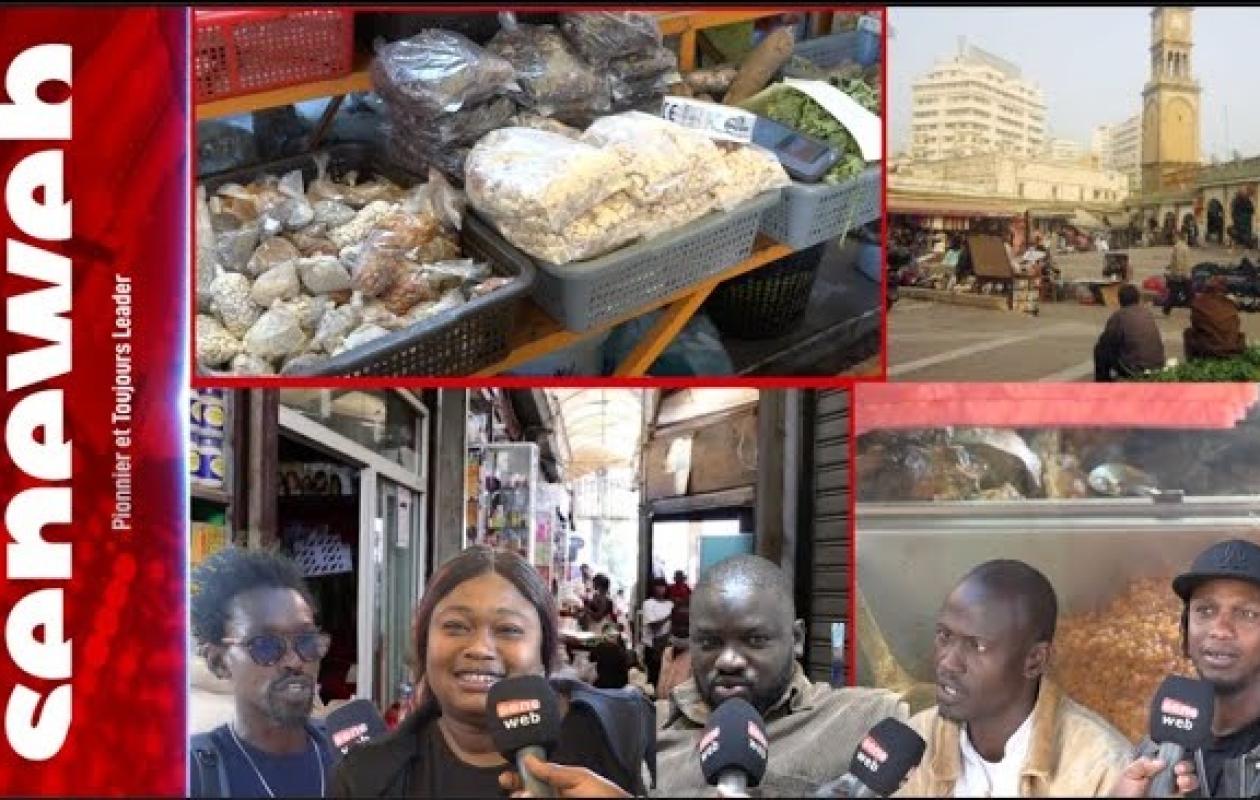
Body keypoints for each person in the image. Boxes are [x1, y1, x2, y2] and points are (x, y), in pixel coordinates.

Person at [330, 547, 654, 798]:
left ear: (544, 653)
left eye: (508, 629)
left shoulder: (624, 736)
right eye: (455, 626)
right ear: (424, 645)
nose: (480, 648)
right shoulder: (364, 778)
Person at [656, 555, 906, 797]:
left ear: (796, 639)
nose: (728, 661)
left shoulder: (869, 719)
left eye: (755, 640)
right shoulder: (642, 731)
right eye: (709, 642)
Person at [897, 560, 1132, 797]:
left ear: (1034, 660)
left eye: (976, 646)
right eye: (944, 636)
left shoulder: (1100, 767)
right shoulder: (913, 743)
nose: (947, 662)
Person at [188, 548, 336, 798]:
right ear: (218, 662)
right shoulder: (190, 774)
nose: (294, 661)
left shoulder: (351, 755)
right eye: (265, 645)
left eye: (306, 641)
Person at [1126, 539, 1260, 798]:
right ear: (1185, 634)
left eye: (1247, 614)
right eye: (1206, 610)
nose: (1220, 630)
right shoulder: (1156, 752)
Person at [1094, 284, 1166, 381]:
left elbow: (1106, 341)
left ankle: (1103, 384)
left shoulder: (1119, 316)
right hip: (1158, 365)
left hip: (1136, 369)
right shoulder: (1146, 313)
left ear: (1120, 300)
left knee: (1100, 350)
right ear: (1138, 298)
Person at [1184, 276, 1247, 360]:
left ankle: (1192, 361)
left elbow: (1196, 325)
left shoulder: (1198, 303)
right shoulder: (1230, 303)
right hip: (1233, 347)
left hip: (1211, 349)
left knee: (1188, 333)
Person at [640, 577, 674, 690]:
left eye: (663, 586)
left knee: (666, 679)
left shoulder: (670, 604)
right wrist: (669, 616)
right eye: (658, 586)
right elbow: (653, 625)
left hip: (667, 645)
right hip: (652, 647)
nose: (661, 589)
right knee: (653, 679)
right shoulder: (648, 604)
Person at [656, 605, 692, 702]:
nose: (681, 629)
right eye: (677, 624)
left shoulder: (697, 658)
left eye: (686, 625)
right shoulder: (667, 653)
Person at [590, 622, 634, 690]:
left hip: (602, 686)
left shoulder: (598, 648)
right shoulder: (621, 651)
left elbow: (591, 660)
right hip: (619, 687)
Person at [1164, 231, 1194, 314]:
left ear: (1177, 237)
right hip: (1186, 273)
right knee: (1189, 293)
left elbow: (1179, 261)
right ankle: (1194, 309)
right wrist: (1170, 265)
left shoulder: (1178, 247)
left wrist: (1178, 273)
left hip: (1180, 275)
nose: (1173, 239)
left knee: (1174, 293)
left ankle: (1166, 309)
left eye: (1173, 237)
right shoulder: (1184, 246)